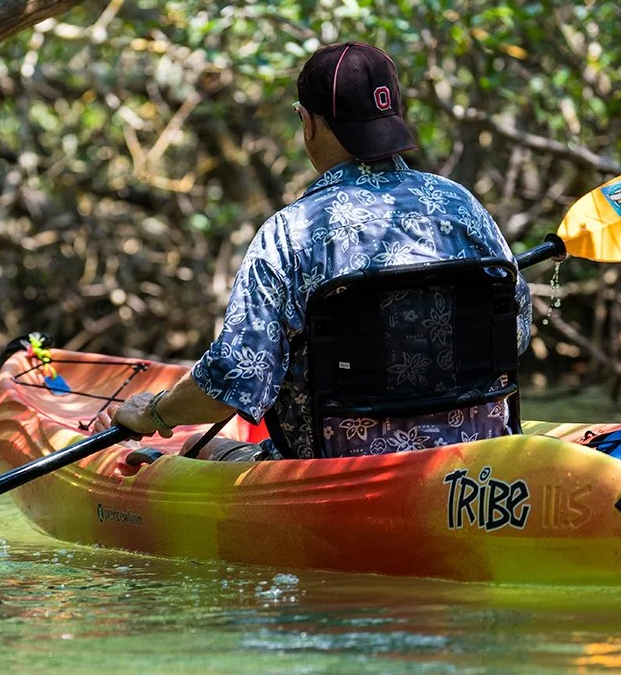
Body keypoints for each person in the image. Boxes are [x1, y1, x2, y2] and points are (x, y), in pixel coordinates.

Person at [112, 41, 530, 460]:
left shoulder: (289, 234)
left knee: (192, 447)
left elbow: (234, 380)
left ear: (307, 122)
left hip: (338, 472)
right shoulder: (462, 206)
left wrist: (155, 413)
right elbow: (516, 332)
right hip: (478, 458)